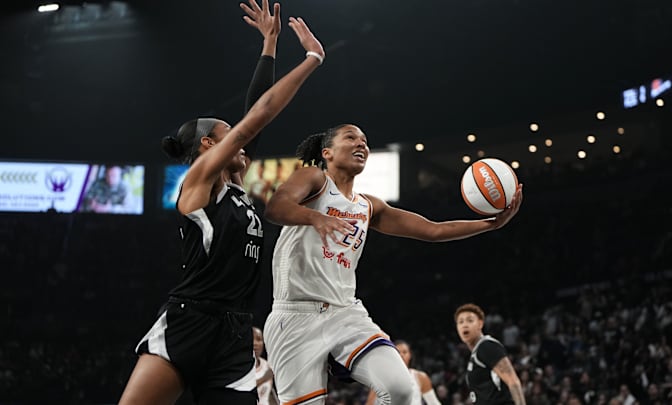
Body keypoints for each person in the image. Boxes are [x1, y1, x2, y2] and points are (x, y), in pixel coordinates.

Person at [117, 1, 326, 403]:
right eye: (232, 135)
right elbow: (259, 115)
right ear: (210, 145)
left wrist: (270, 44)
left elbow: (254, 108)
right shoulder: (199, 181)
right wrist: (312, 59)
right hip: (189, 319)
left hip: (234, 331)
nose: (242, 142)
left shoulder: (235, 184)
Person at [262, 124, 523, 405]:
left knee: (401, 389)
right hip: (295, 314)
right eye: (351, 138)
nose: (361, 144)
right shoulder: (314, 179)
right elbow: (275, 207)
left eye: (365, 141)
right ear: (327, 152)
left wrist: (491, 224)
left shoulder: (368, 206)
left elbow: (432, 230)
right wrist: (315, 218)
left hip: (344, 313)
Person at [454, 303, 526, 405]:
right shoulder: (477, 352)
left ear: (480, 324)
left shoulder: (487, 346)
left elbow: (513, 381)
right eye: (460, 322)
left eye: (470, 320)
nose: (464, 325)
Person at [364, 340, 442, 405]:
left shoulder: (420, 377)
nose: (401, 355)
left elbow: (434, 403)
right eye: (397, 352)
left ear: (410, 355)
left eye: (404, 352)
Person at [254, 326, 280, 405]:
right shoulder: (240, 367)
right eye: (252, 339)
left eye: (259, 339)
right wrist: (263, 378)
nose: (255, 343)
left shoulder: (267, 365)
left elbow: (269, 394)